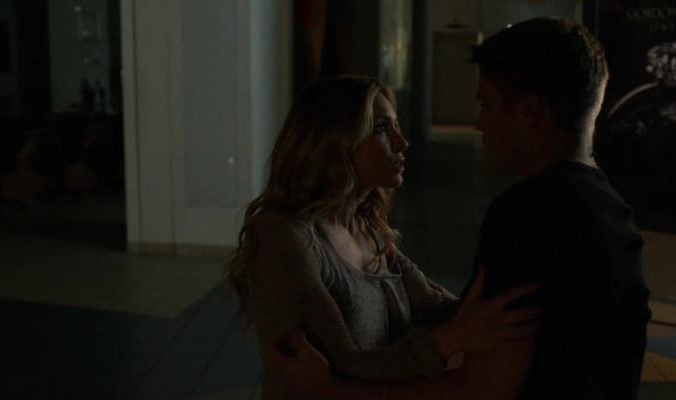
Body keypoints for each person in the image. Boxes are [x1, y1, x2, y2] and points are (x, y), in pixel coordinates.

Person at [266, 17, 652, 400]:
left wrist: (330, 389)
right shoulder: (609, 207)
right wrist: (455, 333)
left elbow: (479, 389)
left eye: (486, 104)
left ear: (529, 110)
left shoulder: (529, 214)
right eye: (383, 129)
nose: (479, 122)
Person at [226, 75, 538, 399]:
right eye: (381, 129)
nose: (402, 143)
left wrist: (504, 313)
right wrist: (453, 338)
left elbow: (431, 304)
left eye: (396, 126)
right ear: (334, 143)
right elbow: (341, 368)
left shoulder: (365, 225)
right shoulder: (286, 238)